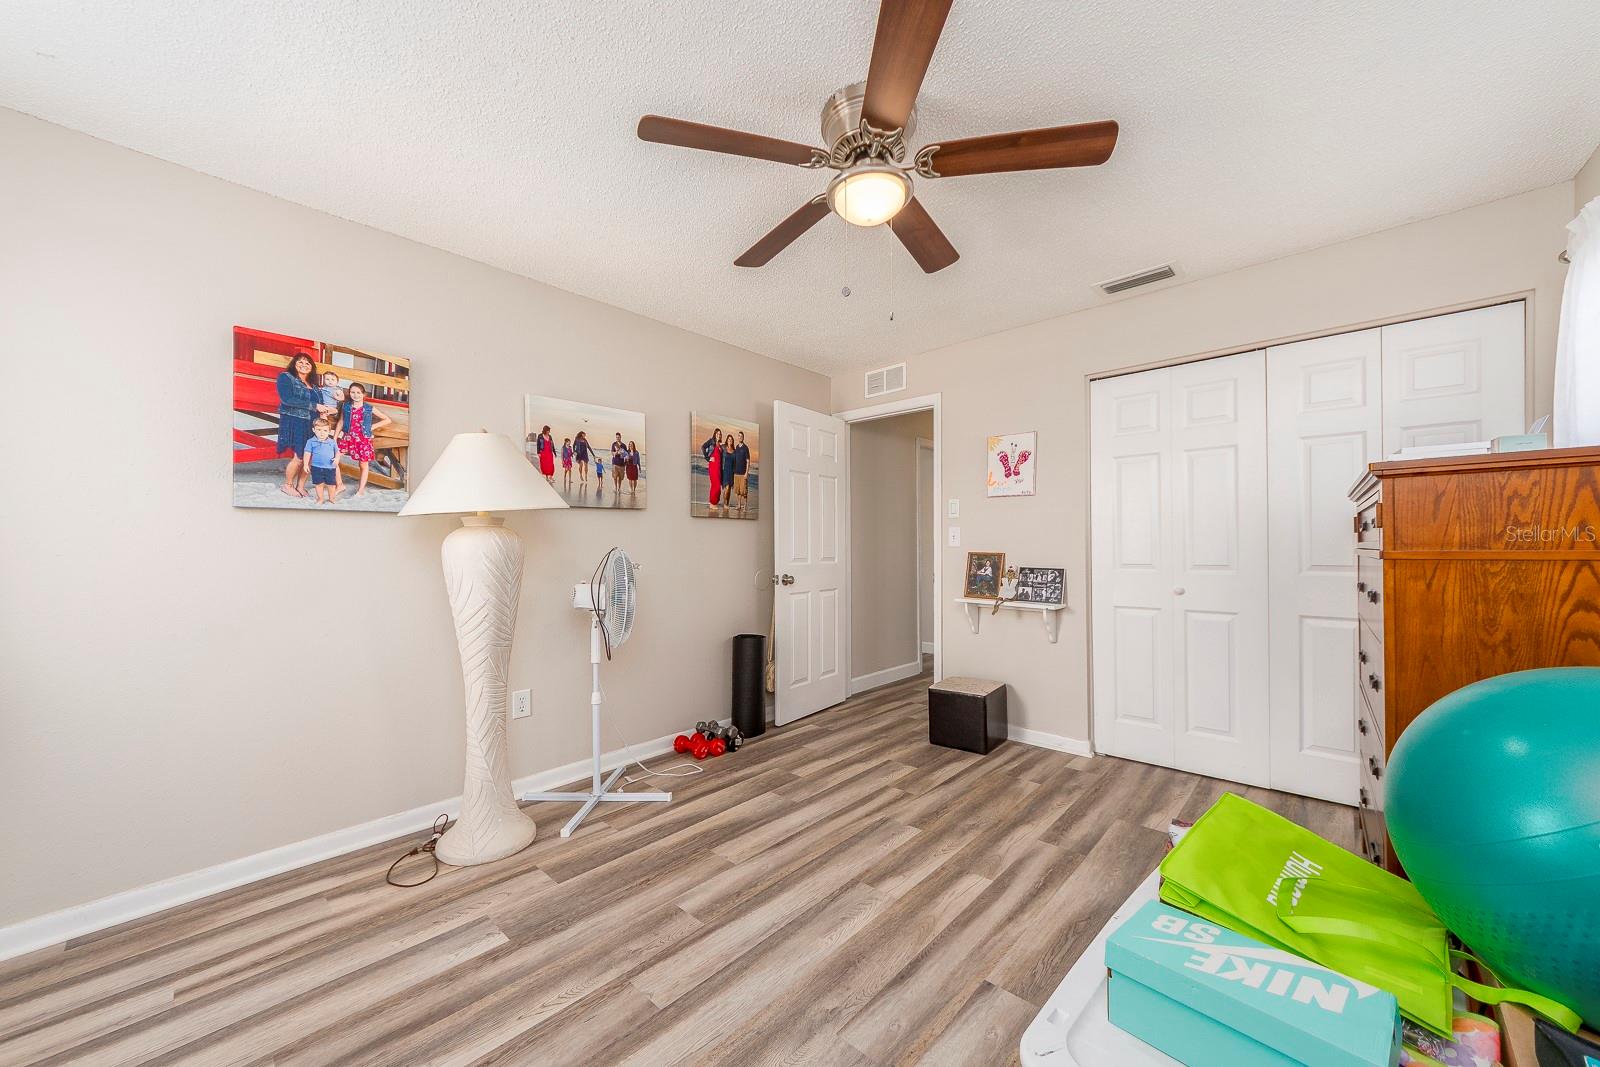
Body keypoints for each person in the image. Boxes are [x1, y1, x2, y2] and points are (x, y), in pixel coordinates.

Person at [275, 351, 329, 498]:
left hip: (313, 423)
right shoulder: (286, 377)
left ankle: (300, 486)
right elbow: (287, 399)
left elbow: (320, 403)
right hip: (296, 421)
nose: (304, 365)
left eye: (307, 363)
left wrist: (326, 410)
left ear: (311, 367)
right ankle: (287, 485)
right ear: (294, 364)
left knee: (309, 456)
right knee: (299, 456)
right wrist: (314, 406)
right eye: (300, 362)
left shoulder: (314, 385)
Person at [337, 382, 393, 497]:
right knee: (334, 459)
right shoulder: (346, 406)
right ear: (349, 393)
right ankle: (340, 484)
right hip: (348, 437)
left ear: (363, 394)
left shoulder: (368, 408)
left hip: (363, 439)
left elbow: (387, 420)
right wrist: (334, 437)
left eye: (358, 392)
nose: (355, 395)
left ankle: (361, 489)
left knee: (363, 465)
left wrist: (372, 427)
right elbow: (341, 421)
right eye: (352, 392)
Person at [301, 417, 342, 504]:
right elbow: (307, 453)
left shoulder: (332, 442)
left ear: (329, 431)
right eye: (319, 430)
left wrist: (337, 459)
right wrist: (305, 464)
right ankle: (320, 499)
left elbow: (337, 452)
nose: (322, 433)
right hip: (316, 467)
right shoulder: (311, 441)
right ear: (314, 430)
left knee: (331, 485)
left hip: (330, 467)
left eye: (325, 430)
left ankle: (332, 498)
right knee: (318, 484)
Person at [702, 428, 723, 510]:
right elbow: (703, 447)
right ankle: (712, 503)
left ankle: (714, 503)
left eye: (720, 434)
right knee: (716, 485)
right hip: (713, 466)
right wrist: (708, 458)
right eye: (717, 434)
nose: (719, 435)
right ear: (715, 434)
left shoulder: (720, 445)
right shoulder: (711, 441)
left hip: (719, 468)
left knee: (716, 486)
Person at [732, 430, 751, 515]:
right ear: (738, 437)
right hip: (736, 473)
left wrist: (746, 473)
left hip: (743, 474)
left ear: (743, 438)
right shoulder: (736, 447)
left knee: (744, 491)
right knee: (738, 491)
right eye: (739, 436)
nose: (740, 437)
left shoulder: (745, 448)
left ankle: (745, 506)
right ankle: (739, 505)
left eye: (741, 436)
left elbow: (748, 461)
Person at [721, 434, 738, 510]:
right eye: (729, 439)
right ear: (727, 440)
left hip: (731, 472)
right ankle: (725, 504)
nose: (730, 440)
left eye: (731, 439)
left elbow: (735, 463)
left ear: (732, 441)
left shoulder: (734, 451)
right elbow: (717, 449)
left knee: (729, 489)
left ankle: (726, 503)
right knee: (726, 488)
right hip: (725, 471)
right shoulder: (724, 448)